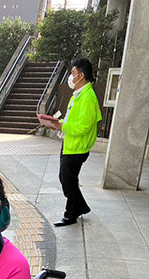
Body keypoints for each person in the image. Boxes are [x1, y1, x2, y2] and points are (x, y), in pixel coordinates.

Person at [50, 58, 102, 227]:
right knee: (66, 179)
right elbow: (73, 120)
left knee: (67, 180)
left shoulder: (87, 97)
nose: (70, 77)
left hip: (77, 147)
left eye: (72, 73)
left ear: (80, 75)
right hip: (70, 144)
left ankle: (71, 213)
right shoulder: (79, 95)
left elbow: (83, 127)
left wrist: (63, 126)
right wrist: (59, 125)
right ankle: (80, 207)